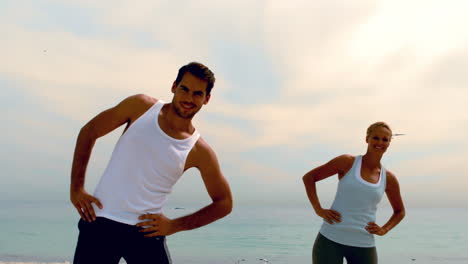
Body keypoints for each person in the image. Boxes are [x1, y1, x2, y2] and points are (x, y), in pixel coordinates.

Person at [70, 62, 233, 264]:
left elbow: (224, 203)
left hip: (146, 232)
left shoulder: (199, 150)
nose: (189, 98)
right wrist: (77, 188)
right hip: (101, 220)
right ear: (174, 86)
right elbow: (89, 132)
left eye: (197, 94)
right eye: (184, 89)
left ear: (206, 99)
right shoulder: (140, 107)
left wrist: (174, 225)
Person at [302, 122, 405, 264]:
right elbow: (309, 178)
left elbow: (400, 211)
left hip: (364, 244)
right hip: (330, 239)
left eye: (385, 139)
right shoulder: (347, 162)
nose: (380, 142)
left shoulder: (388, 178)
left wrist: (384, 229)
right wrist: (318, 209)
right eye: (375, 138)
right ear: (367, 139)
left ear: (388, 143)